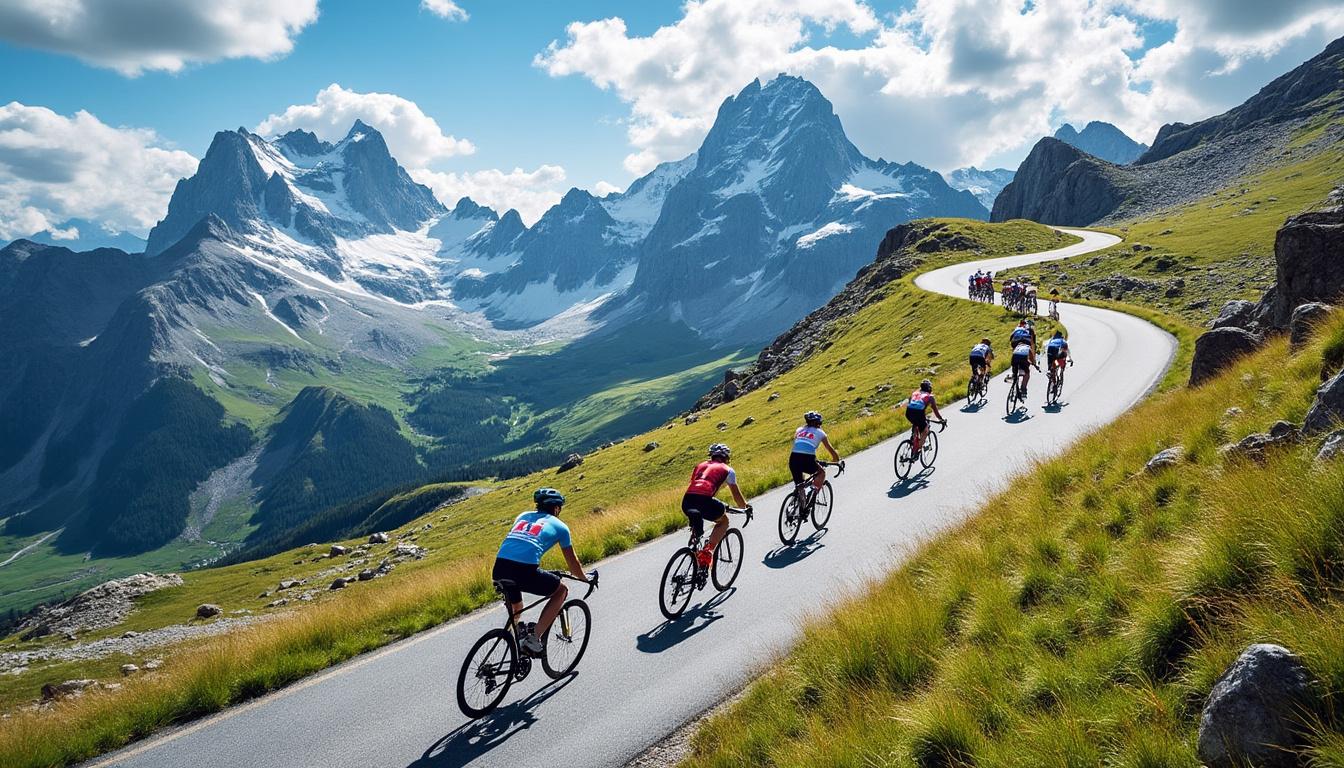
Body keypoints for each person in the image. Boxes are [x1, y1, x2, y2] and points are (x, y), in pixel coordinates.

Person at [494, 488, 592, 655]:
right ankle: (533, 638)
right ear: (556, 508)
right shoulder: (560, 527)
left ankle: (511, 641)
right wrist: (585, 578)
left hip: (499, 567)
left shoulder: (523, 516)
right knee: (561, 590)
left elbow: (520, 546)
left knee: (517, 607)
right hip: (524, 570)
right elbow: (573, 565)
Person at [683, 443, 750, 568]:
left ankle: (695, 556)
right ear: (726, 457)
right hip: (704, 501)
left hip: (687, 500)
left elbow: (697, 487)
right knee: (723, 521)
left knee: (697, 527)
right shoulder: (728, 470)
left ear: (712, 456)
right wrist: (745, 508)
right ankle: (708, 551)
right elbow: (737, 496)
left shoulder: (700, 466)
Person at [790, 411, 840, 506]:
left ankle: (798, 502)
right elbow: (830, 449)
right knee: (821, 473)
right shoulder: (820, 433)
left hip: (793, 458)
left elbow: (801, 446)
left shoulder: (799, 430)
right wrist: (837, 460)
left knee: (800, 484)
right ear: (818, 423)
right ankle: (812, 497)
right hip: (807, 459)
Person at [904, 380, 944, 457]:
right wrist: (941, 420)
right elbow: (935, 411)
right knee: (925, 431)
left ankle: (914, 440)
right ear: (929, 389)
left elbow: (911, 404)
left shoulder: (914, 393)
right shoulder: (930, 397)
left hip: (908, 413)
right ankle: (917, 450)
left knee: (916, 423)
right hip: (918, 413)